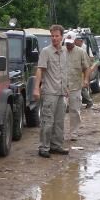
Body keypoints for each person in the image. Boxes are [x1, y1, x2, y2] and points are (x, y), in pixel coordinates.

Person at [34, 24, 69, 158]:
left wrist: (66, 88)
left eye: (56, 36)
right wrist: (36, 88)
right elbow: (40, 70)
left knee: (59, 121)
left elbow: (64, 71)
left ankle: (56, 146)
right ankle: (44, 147)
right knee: (47, 121)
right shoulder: (46, 51)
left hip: (61, 92)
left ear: (62, 37)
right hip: (49, 92)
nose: (54, 38)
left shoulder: (65, 52)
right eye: (52, 36)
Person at [63, 32, 89, 141]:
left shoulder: (81, 52)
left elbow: (86, 68)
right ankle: (59, 133)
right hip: (62, 86)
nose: (68, 45)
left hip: (76, 85)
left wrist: (86, 80)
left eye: (70, 43)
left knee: (74, 110)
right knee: (60, 110)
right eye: (67, 43)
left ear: (74, 41)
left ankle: (73, 132)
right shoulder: (61, 51)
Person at [74, 34, 94, 108]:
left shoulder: (85, 48)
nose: (75, 42)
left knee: (82, 87)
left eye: (76, 40)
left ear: (80, 41)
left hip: (84, 70)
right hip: (76, 70)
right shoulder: (74, 48)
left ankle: (89, 101)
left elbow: (91, 58)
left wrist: (84, 61)